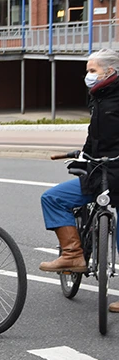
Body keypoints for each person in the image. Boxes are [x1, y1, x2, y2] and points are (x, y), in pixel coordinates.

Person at [40, 49, 119, 307]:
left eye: (92, 70)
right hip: (99, 173)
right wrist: (84, 155)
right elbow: (95, 135)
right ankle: (73, 254)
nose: (88, 76)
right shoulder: (98, 97)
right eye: (88, 70)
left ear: (110, 72)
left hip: (117, 173)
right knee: (52, 198)